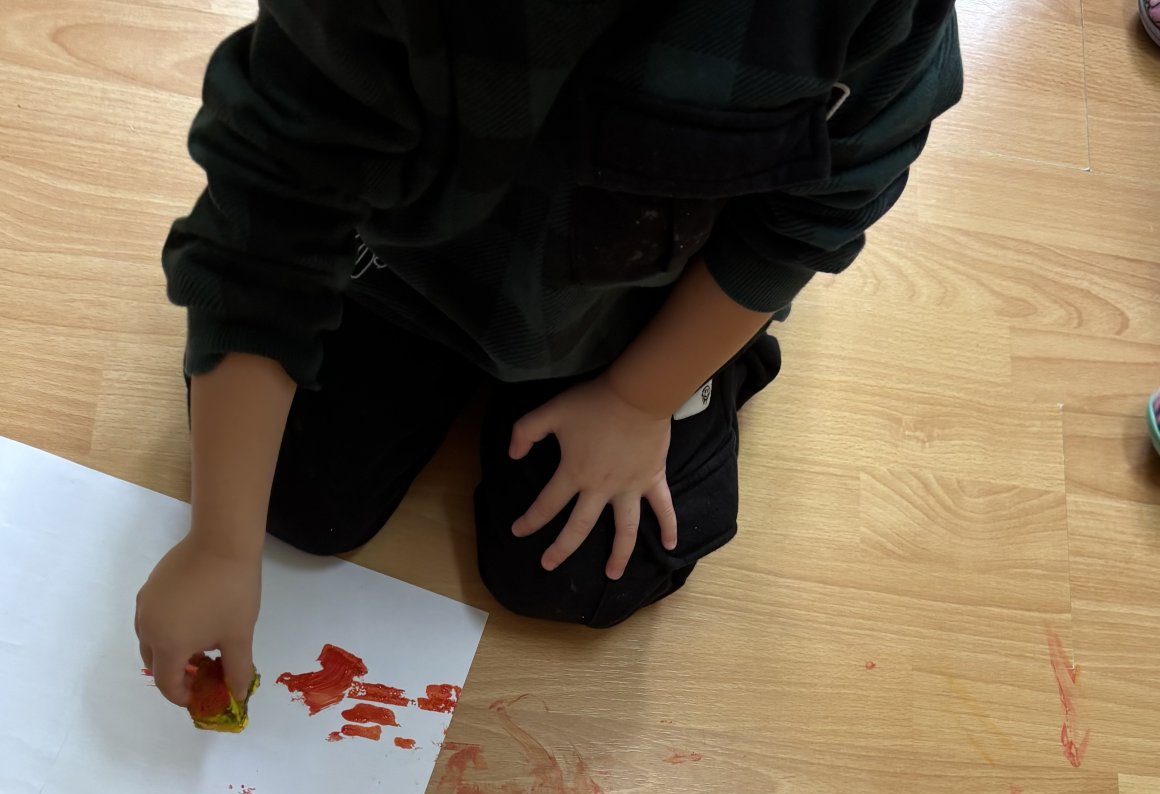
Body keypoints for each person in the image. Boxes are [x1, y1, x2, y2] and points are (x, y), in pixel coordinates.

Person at [137, 0, 963, 708]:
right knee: (289, 502)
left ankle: (703, 370)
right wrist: (219, 545)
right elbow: (268, 212)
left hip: (640, 306)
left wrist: (640, 399)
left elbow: (814, 215)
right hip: (403, 268)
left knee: (584, 576)